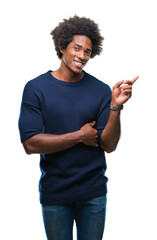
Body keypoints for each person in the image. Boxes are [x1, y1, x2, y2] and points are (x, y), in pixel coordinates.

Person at [18, 15, 139, 240]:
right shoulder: (36, 89)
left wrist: (115, 106)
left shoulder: (101, 90)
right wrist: (79, 136)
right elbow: (30, 143)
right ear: (62, 46)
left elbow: (109, 145)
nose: (82, 56)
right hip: (55, 193)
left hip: (93, 194)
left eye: (88, 52)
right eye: (77, 48)